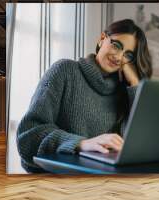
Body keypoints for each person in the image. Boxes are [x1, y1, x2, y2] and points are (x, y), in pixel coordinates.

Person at [16, 19, 152, 172]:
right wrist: (81, 144)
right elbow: (28, 135)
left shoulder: (123, 91)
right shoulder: (64, 71)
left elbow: (139, 145)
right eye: (116, 45)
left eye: (128, 55)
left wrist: (134, 84)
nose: (119, 57)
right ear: (102, 39)